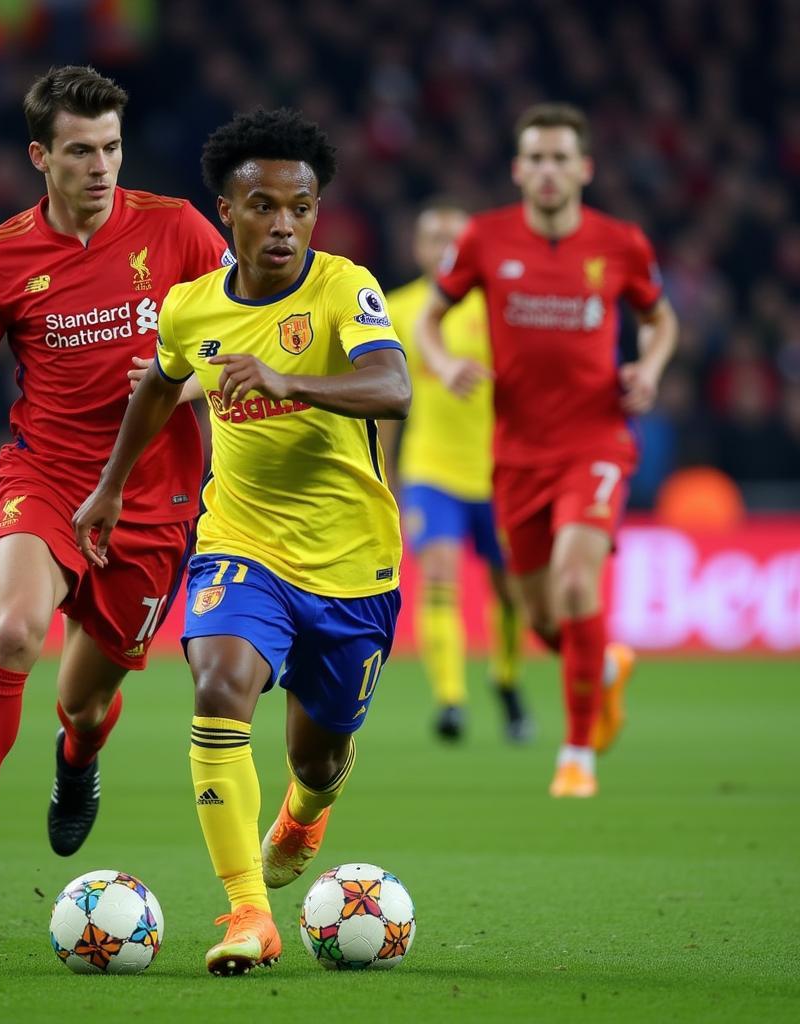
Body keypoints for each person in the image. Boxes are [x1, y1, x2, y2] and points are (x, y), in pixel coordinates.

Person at [0, 65, 231, 895]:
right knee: (15, 633)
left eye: (111, 148)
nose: (101, 166)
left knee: (85, 705)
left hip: (155, 498)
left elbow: (247, 329)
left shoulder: (176, 230)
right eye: (80, 151)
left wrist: (188, 377)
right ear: (40, 155)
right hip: (47, 476)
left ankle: (76, 760)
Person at [73, 108, 411, 975]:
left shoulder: (343, 286)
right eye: (263, 206)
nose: (284, 225)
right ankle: (248, 915)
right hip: (240, 543)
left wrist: (288, 378)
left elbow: (393, 385)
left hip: (352, 562)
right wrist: (110, 488)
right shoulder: (190, 307)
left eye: (301, 207)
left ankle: (305, 811)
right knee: (219, 684)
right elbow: (158, 383)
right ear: (226, 210)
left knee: (319, 752)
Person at [416, 103, 677, 798]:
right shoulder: (484, 239)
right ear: (517, 169)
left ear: (584, 168)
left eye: (562, 157)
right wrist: (440, 364)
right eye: (536, 158)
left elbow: (662, 320)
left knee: (573, 581)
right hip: (516, 454)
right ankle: (607, 666)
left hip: (597, 441)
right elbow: (430, 317)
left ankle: (577, 753)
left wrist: (647, 371)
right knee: (539, 616)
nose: (549, 170)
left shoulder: (620, 243)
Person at [381, 198, 529, 743]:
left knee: (510, 592)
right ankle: (450, 700)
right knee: (438, 577)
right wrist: (386, 475)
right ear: (416, 248)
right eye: (433, 237)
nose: (444, 248)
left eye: (454, 239)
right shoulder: (396, 309)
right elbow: (385, 404)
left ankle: (508, 682)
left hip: (502, 472)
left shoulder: (503, 307)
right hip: (431, 470)